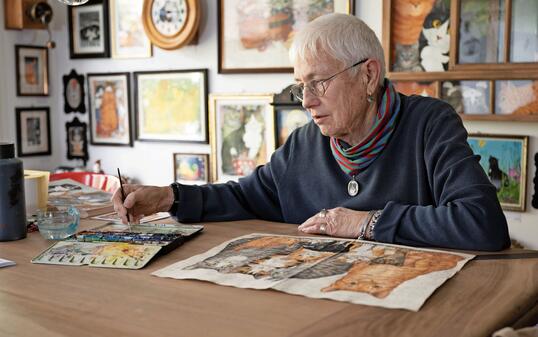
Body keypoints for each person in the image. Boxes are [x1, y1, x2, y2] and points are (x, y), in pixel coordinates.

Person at [112, 13, 510, 251]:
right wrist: (168, 197)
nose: (306, 100)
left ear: (368, 75)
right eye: (301, 86)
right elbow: (243, 197)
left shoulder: (430, 124)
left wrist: (365, 223)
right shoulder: (305, 143)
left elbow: (482, 224)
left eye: (319, 82)